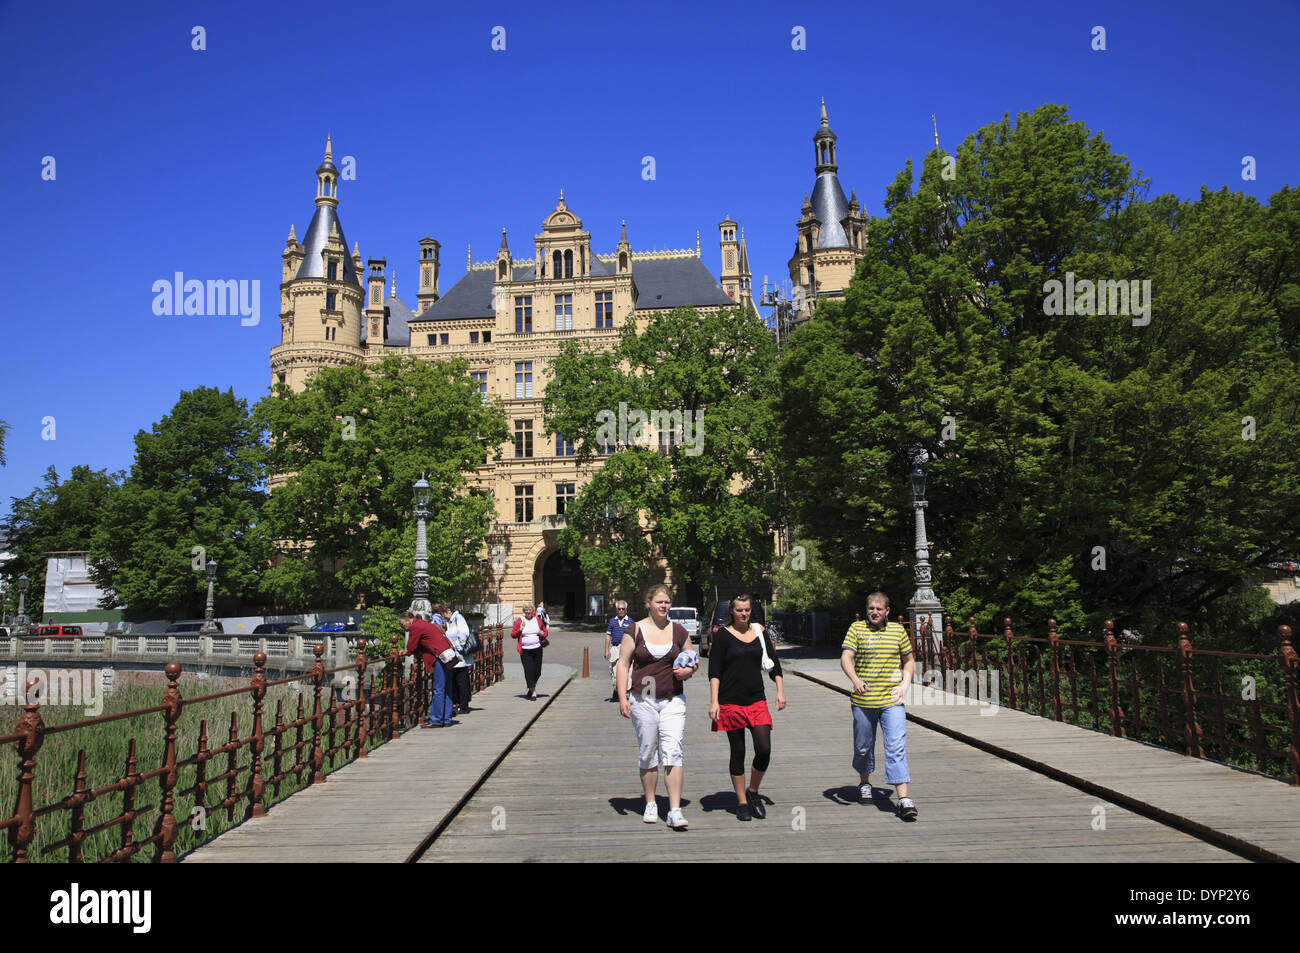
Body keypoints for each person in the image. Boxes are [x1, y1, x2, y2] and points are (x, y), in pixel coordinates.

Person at [617, 584, 699, 830]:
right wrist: (622, 697)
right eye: (659, 602)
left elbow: (692, 659)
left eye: (667, 602)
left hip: (672, 699)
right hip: (643, 700)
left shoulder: (679, 631)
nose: (664, 606)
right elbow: (623, 664)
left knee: (673, 751)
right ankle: (651, 802)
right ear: (649, 604)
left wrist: (688, 670)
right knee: (648, 751)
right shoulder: (635, 630)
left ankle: (675, 809)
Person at [707, 593, 785, 821]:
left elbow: (773, 663)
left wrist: (780, 690)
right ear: (731, 611)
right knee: (738, 751)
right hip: (730, 702)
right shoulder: (723, 636)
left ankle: (753, 791)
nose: (743, 614)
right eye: (739, 610)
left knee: (764, 749)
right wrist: (714, 701)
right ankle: (741, 801)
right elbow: (714, 671)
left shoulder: (759, 632)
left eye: (747, 610)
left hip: (756, 700)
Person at [841, 592, 917, 820]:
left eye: (879, 609)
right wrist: (855, 680)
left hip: (891, 700)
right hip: (864, 700)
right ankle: (864, 782)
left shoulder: (898, 631)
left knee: (896, 746)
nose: (874, 612)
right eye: (871, 608)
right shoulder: (856, 629)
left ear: (887, 611)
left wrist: (904, 685)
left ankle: (903, 798)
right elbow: (846, 657)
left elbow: (909, 661)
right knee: (863, 746)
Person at [400, 609, 459, 727]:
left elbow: (411, 646)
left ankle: (436, 719)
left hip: (439, 656)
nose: (402, 627)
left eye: (402, 624)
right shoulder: (423, 623)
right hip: (447, 654)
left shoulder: (415, 627)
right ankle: (446, 718)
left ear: (407, 621)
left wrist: (406, 652)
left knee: (438, 688)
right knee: (447, 687)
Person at [510, 602, 548, 701]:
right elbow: (513, 634)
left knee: (537, 672)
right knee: (529, 671)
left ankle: (530, 688)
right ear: (524, 611)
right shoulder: (520, 620)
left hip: (537, 649)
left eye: (529, 609)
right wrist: (520, 629)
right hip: (525, 651)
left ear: (533, 610)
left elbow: (545, 632)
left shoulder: (537, 619)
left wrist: (542, 634)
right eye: (526, 610)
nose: (528, 611)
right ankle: (533, 692)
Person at [443, 602, 473, 714]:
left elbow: (464, 633)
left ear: (449, 611)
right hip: (454, 656)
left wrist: (459, 647)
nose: (443, 616)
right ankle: (457, 703)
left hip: (460, 655)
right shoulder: (450, 621)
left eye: (444, 613)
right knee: (455, 680)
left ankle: (464, 705)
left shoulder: (458, 618)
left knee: (462, 680)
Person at [604, 600, 633, 702]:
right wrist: (606, 650)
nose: (621, 611)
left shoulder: (630, 621)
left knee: (628, 671)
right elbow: (608, 636)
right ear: (616, 610)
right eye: (619, 609)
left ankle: (626, 692)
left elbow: (634, 636)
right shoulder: (612, 621)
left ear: (626, 610)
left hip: (627, 648)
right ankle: (617, 690)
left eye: (623, 609)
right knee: (615, 671)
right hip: (615, 648)